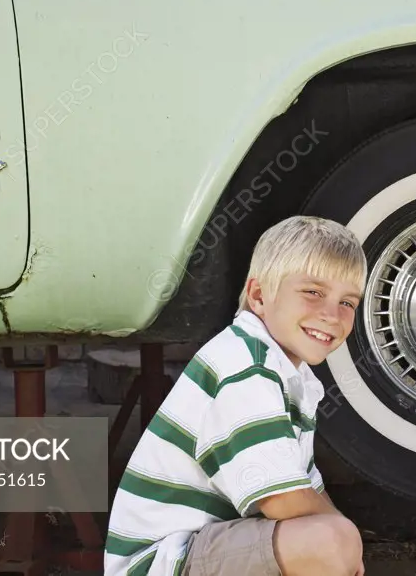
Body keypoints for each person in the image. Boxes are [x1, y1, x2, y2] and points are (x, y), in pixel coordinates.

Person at [104, 215, 368, 576]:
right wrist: (344, 544)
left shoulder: (287, 374)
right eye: (313, 292)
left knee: (331, 538)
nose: (332, 315)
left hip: (198, 551)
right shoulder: (246, 368)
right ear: (260, 296)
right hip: (159, 564)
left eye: (348, 303)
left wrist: (344, 544)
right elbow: (280, 500)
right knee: (326, 542)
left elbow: (306, 489)